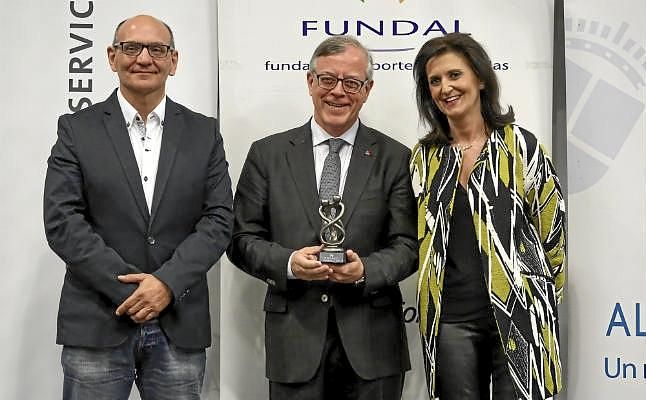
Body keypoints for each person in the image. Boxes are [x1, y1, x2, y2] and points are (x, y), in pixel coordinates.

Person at [43, 15, 233, 400]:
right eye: (131, 48)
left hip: (179, 321)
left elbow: (219, 220)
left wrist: (166, 284)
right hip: (97, 320)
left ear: (173, 61)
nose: (144, 58)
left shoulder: (204, 133)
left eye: (157, 49)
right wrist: (129, 289)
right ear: (112, 57)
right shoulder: (76, 129)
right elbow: (62, 220)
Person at [228, 35, 417, 400]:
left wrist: (365, 270)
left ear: (367, 89)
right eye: (328, 79)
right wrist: (289, 263)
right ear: (310, 81)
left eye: (352, 83)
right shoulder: (267, 154)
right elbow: (240, 239)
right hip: (295, 340)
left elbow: (408, 245)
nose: (338, 92)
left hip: (373, 345)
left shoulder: (395, 157)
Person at [410, 32, 566, 400]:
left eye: (454, 75)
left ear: (479, 78)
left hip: (521, 313)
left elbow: (552, 232)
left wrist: (543, 300)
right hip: (451, 320)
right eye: (435, 81)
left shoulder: (521, 146)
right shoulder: (424, 158)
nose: (445, 88)